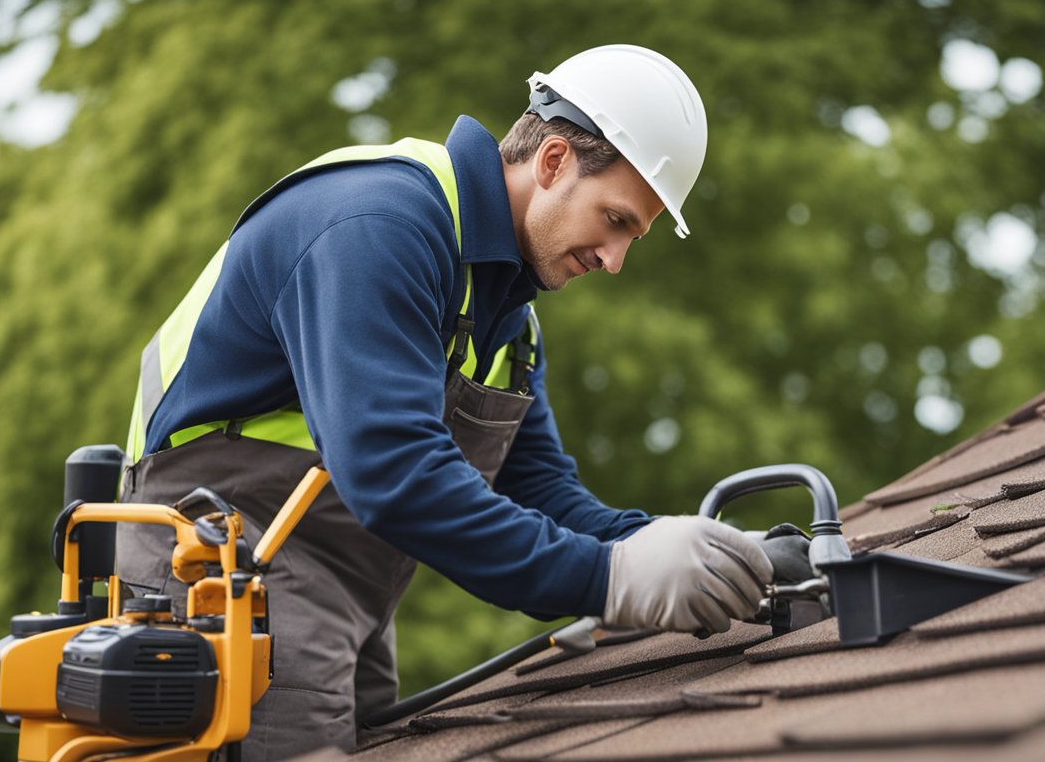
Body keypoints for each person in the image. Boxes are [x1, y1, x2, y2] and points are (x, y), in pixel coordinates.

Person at [116, 44, 774, 759]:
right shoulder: (378, 228)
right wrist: (610, 579)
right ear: (552, 161)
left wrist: (691, 553)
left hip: (344, 596)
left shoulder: (506, 315)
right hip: (221, 568)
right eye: (615, 221)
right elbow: (394, 475)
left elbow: (543, 491)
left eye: (634, 238)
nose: (615, 261)